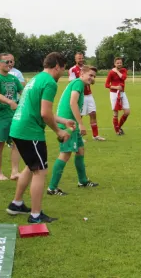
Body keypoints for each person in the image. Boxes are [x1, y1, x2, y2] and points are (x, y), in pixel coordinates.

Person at [6, 52, 74, 224]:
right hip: (30, 131)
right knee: (40, 171)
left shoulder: (37, 79)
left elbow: (40, 109)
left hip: (18, 128)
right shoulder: (50, 82)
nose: (63, 72)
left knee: (31, 167)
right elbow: (44, 113)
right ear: (57, 66)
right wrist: (59, 131)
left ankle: (16, 204)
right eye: (63, 68)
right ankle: (36, 215)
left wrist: (63, 120)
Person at [48, 65, 99, 195]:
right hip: (67, 124)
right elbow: (72, 103)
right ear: (82, 73)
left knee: (80, 150)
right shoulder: (78, 83)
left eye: (94, 76)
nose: (92, 78)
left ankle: (82, 181)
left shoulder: (80, 84)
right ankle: (52, 188)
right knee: (65, 154)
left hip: (71, 123)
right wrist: (81, 124)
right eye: (90, 75)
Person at [0, 54, 23, 181]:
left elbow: (22, 92)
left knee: (16, 142)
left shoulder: (13, 78)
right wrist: (10, 102)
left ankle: (15, 172)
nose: (10, 64)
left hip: (13, 115)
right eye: (7, 61)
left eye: (12, 61)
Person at [69, 53, 105, 141]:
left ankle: (95, 135)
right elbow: (72, 82)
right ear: (75, 59)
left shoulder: (87, 69)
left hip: (89, 95)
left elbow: (92, 80)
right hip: (81, 95)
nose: (81, 60)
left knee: (93, 114)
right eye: (79, 58)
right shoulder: (73, 69)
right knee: (79, 116)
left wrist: (92, 80)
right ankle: (78, 136)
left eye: (82, 58)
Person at [105, 57, 130, 135]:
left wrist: (117, 71)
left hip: (122, 93)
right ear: (114, 64)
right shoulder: (111, 72)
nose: (119, 64)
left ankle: (118, 127)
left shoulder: (124, 70)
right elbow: (106, 85)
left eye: (120, 63)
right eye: (117, 63)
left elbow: (123, 77)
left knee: (127, 112)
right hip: (114, 94)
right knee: (115, 113)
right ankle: (117, 131)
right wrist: (115, 87)